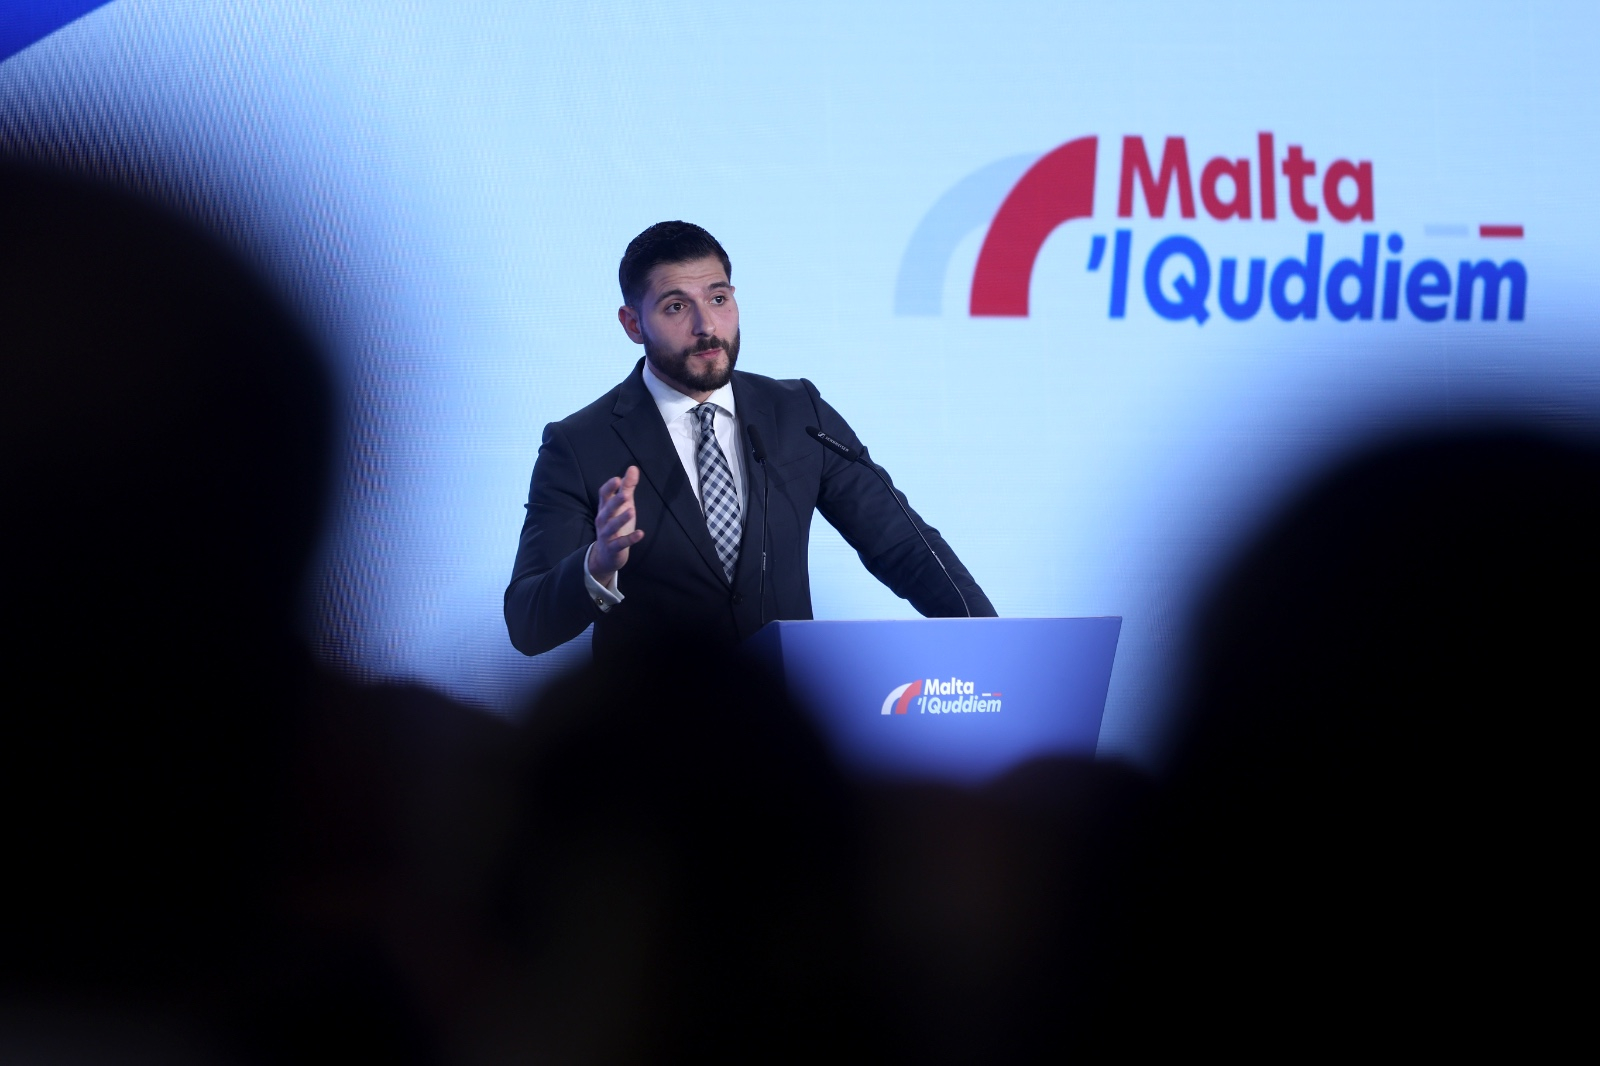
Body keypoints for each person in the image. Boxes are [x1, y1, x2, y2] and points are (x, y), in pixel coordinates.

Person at [505, 221, 995, 660]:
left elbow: (903, 547)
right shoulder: (579, 444)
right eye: (677, 306)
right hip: (652, 746)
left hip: (785, 731)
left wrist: (994, 642)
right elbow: (528, 625)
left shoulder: (798, 412)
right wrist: (597, 565)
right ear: (633, 324)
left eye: (719, 300)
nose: (706, 326)